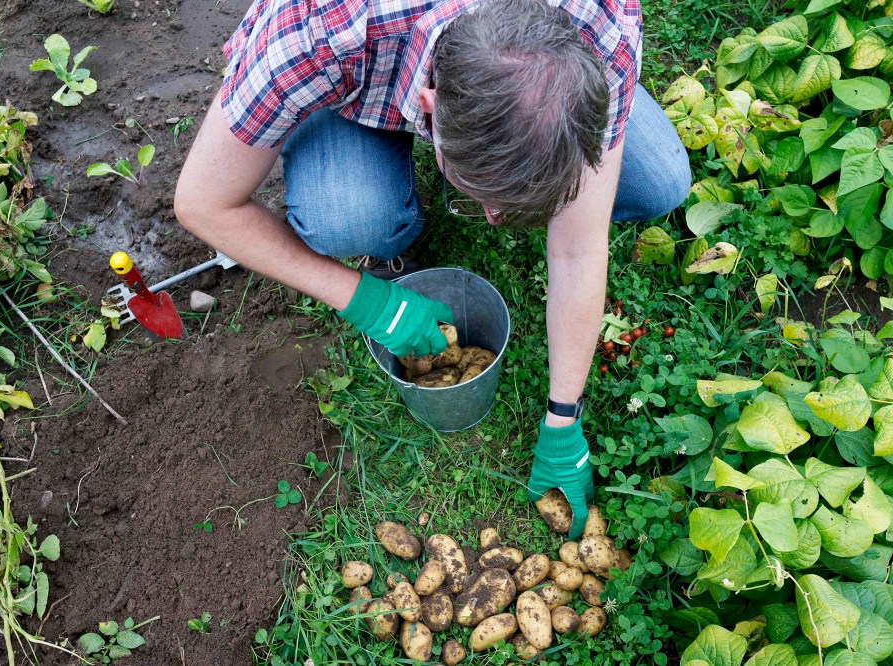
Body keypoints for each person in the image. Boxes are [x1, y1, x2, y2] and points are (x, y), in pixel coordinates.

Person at [174, 0, 691, 539]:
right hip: (359, 81)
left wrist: (564, 416)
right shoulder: (315, 36)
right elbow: (201, 203)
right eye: (481, 199)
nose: (495, 223)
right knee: (347, 215)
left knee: (660, 184)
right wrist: (366, 299)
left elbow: (577, 249)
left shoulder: (602, 30)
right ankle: (379, 191)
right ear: (430, 106)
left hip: (503, 77)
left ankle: (533, 133)